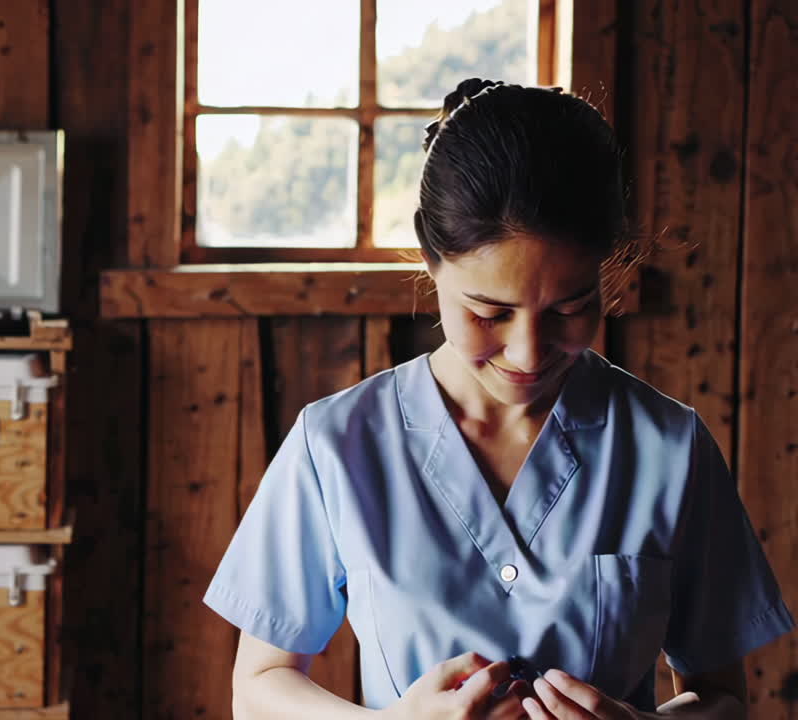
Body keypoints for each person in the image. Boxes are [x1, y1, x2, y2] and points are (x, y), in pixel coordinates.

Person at [204, 79, 793, 720]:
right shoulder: (337, 442)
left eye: (570, 308)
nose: (529, 353)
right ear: (432, 261)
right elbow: (260, 686)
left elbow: (725, 697)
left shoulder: (669, 446)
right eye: (489, 312)